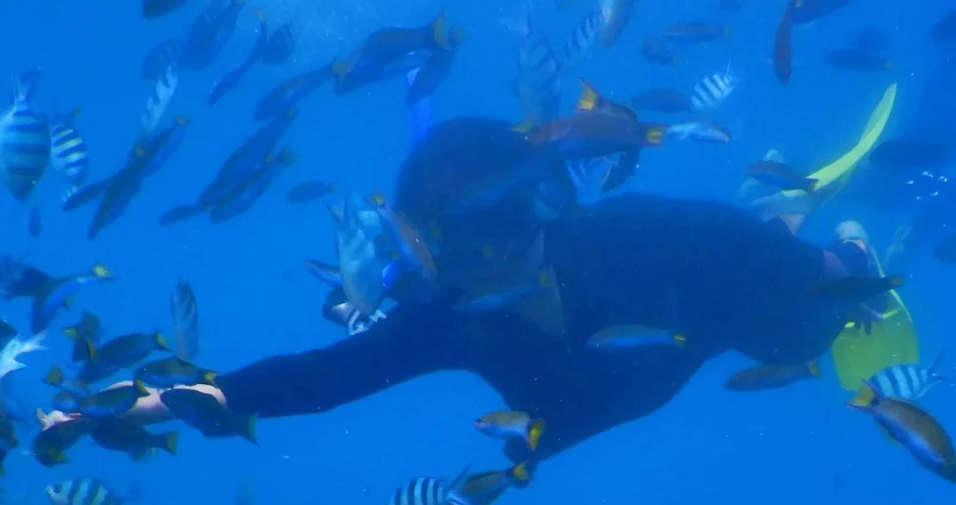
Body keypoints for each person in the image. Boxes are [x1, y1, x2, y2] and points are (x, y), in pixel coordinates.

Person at [212, 118, 890, 465]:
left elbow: (725, 237)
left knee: (799, 331)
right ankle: (790, 219)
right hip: (628, 375)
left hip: (729, 309)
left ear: (536, 203)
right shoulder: (448, 319)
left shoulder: (628, 232)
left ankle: (849, 238)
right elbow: (322, 378)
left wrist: (841, 277)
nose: (496, 257)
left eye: (506, 221)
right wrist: (166, 404)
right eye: (461, 243)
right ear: (432, 248)